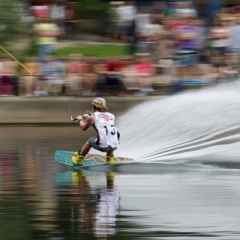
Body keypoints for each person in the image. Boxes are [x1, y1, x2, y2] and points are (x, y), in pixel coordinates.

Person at [71, 97, 120, 165]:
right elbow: (101, 119)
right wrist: (88, 116)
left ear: (94, 106)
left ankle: (79, 159)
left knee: (90, 141)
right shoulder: (111, 115)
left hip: (104, 147)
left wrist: (81, 120)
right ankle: (110, 158)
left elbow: (83, 128)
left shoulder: (93, 117)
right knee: (108, 136)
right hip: (114, 146)